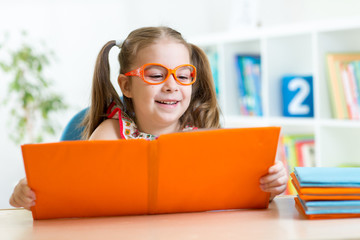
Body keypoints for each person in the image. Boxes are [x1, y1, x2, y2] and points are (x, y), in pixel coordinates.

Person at [9, 26, 287, 210]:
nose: (171, 85)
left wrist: (270, 186)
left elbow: (237, 198)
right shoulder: (110, 134)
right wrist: (28, 195)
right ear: (126, 86)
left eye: (183, 75)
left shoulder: (203, 136)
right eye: (155, 75)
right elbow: (71, 196)